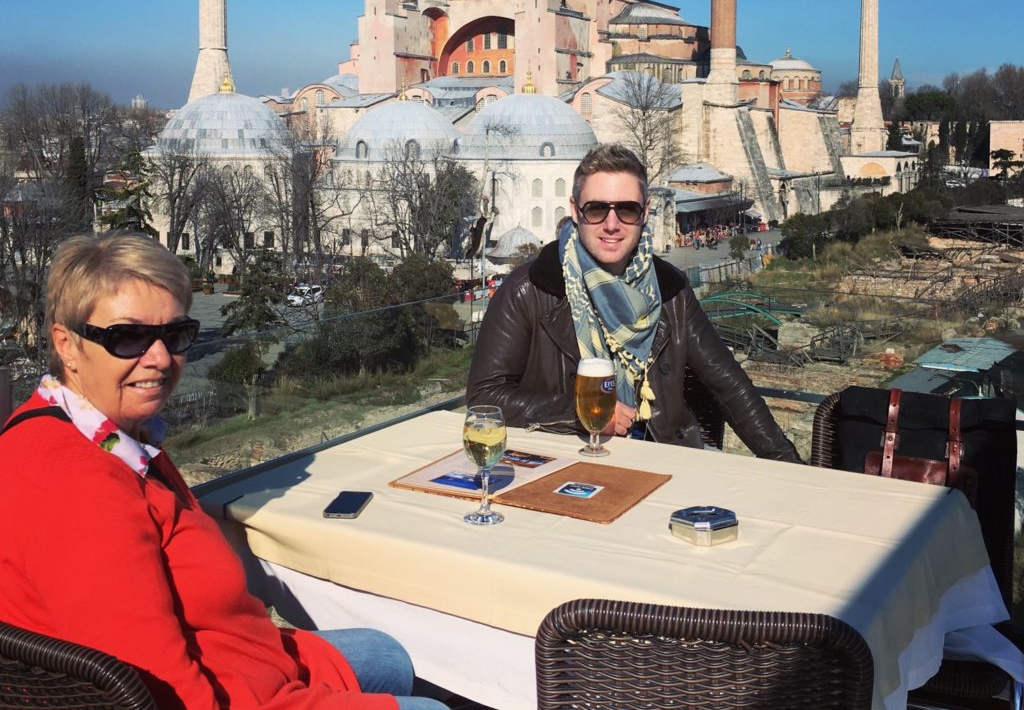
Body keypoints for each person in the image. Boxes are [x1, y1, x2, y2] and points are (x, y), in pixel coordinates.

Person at [0, 232, 447, 710]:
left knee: (389, 653)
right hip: (230, 695)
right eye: (127, 337)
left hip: (240, 659)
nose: (159, 358)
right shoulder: (74, 481)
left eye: (174, 335)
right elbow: (153, 683)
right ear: (66, 344)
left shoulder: (107, 433)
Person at [467, 144, 800, 460]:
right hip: (563, 457)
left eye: (626, 210)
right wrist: (581, 413)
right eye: (596, 209)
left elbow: (728, 383)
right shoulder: (530, 289)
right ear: (575, 211)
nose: (611, 225)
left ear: (645, 213)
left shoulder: (670, 289)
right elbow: (486, 396)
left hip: (656, 455)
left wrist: (788, 465)